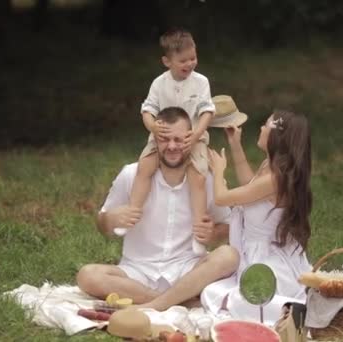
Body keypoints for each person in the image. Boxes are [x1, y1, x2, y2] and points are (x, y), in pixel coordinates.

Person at [77, 107, 239, 311]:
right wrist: (111, 219)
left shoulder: (205, 179)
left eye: (179, 140)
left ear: (191, 139)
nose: (172, 146)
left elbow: (228, 226)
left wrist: (213, 233)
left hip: (187, 270)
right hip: (136, 272)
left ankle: (156, 303)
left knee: (228, 255)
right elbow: (102, 224)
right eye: (164, 139)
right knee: (88, 275)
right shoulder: (131, 174)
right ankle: (179, 301)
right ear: (155, 139)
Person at [202, 107, 313, 323]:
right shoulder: (270, 167)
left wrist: (218, 171)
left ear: (276, 137)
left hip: (267, 259)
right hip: (254, 251)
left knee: (218, 295)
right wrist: (235, 144)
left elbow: (222, 198)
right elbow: (249, 187)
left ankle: (286, 310)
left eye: (266, 124)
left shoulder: (275, 179)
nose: (261, 128)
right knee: (212, 290)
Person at [121, 28, 215, 256]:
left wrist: (196, 134)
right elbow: (148, 109)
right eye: (183, 60)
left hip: (193, 136)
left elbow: (207, 111)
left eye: (193, 58)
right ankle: (132, 213)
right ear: (167, 61)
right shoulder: (159, 83)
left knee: (199, 176)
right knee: (144, 167)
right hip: (162, 136)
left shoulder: (201, 82)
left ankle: (199, 233)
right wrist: (153, 127)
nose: (190, 64)